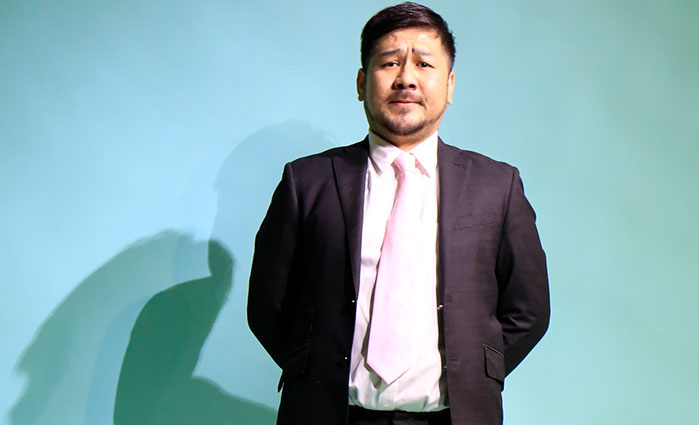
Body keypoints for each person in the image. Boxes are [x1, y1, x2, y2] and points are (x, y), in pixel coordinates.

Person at [247, 2, 550, 424]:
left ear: (449, 85)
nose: (406, 78)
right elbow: (268, 305)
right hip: (329, 415)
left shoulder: (497, 186)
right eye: (389, 62)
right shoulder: (307, 182)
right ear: (361, 82)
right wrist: (315, 372)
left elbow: (529, 310)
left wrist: (476, 374)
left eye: (424, 64)